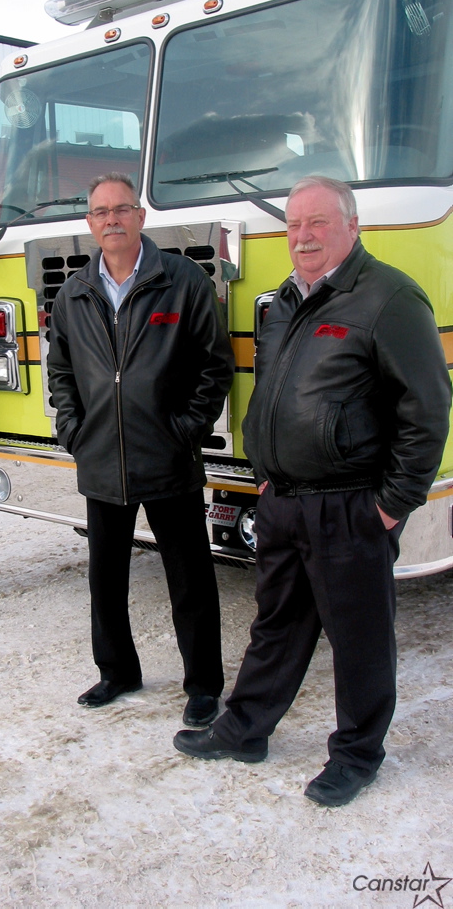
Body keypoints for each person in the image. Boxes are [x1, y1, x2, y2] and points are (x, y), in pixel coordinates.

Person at [174, 176, 451, 806]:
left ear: (353, 227)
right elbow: (273, 390)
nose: (303, 236)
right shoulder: (286, 302)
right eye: (295, 224)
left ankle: (357, 754)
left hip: (350, 504)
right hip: (283, 501)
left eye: (318, 223)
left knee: (359, 639)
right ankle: (245, 729)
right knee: (275, 625)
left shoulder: (389, 298)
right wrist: (266, 470)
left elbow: (428, 411)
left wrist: (390, 505)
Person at [47, 172, 234, 724]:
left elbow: (215, 365)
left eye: (122, 209)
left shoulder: (181, 282)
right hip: (101, 457)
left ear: (140, 216)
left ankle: (202, 684)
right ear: (89, 223)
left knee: (190, 578)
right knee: (105, 577)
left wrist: (185, 430)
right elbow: (60, 371)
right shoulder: (74, 293)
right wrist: (74, 431)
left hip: (169, 457)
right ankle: (117, 672)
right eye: (101, 212)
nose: (112, 220)